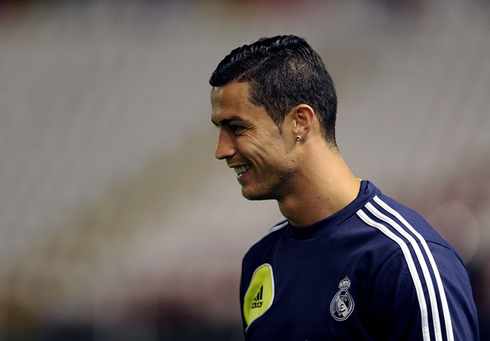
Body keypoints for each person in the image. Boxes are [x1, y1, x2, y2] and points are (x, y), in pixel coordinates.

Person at [209, 35, 479, 340]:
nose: (221, 150)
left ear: (300, 121)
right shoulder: (260, 260)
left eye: (237, 128)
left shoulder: (403, 259)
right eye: (220, 130)